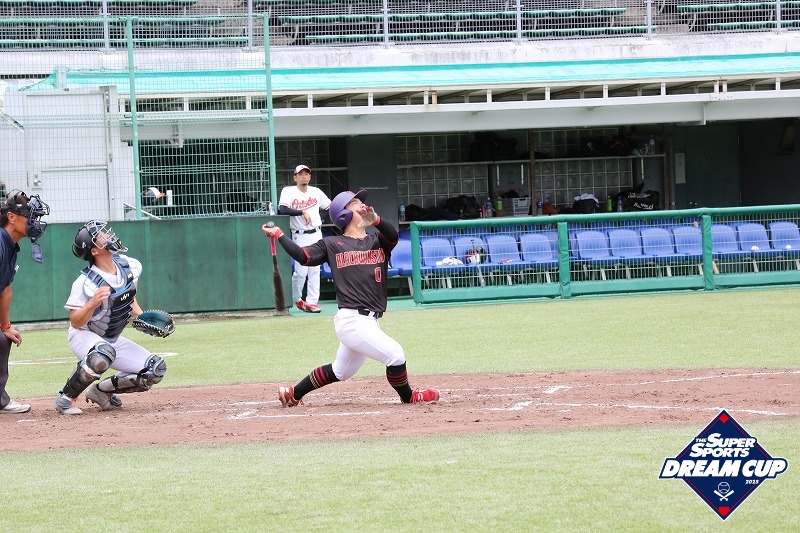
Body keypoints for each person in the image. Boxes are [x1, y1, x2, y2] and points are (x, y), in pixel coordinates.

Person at [261, 189, 439, 407]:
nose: (362, 204)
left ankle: (293, 393)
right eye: (354, 203)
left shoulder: (377, 241)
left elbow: (392, 235)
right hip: (352, 320)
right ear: (343, 214)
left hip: (369, 321)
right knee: (396, 356)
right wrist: (279, 234)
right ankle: (409, 397)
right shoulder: (332, 244)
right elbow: (303, 256)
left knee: (340, 371)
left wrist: (376, 221)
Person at [53, 220, 168, 415]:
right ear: (94, 251)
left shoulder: (129, 266)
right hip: (83, 335)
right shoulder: (85, 282)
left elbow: (128, 296)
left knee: (155, 370)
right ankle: (66, 398)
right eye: (100, 236)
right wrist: (92, 303)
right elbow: (75, 321)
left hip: (110, 338)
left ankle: (101, 392)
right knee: (102, 355)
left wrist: (142, 317)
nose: (107, 235)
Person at [0, 190, 50, 414]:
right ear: (11, 217)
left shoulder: (10, 245)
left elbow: (5, 289)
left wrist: (5, 326)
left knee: (2, 340)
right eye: (31, 217)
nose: (35, 223)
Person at [277, 164, 332, 313]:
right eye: (301, 174)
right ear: (295, 177)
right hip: (299, 234)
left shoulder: (316, 191)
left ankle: (312, 302)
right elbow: (283, 209)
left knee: (315, 270)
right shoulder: (288, 191)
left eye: (306, 174)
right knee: (301, 272)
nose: (304, 176)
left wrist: (316, 217)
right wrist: (302, 212)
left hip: (316, 233)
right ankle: (297, 298)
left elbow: (329, 208)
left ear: (310, 176)